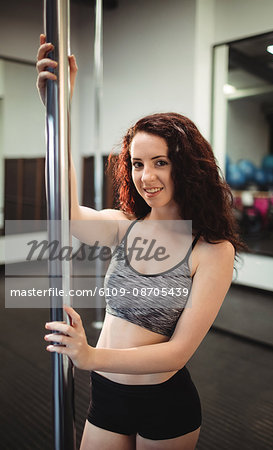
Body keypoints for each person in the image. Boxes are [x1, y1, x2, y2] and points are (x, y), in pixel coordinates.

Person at [36, 34, 243, 450]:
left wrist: (90, 355)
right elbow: (67, 213)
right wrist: (60, 111)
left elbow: (177, 353)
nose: (146, 177)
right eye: (137, 164)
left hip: (164, 404)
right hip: (107, 396)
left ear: (186, 167)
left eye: (160, 163)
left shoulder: (212, 251)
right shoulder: (124, 226)